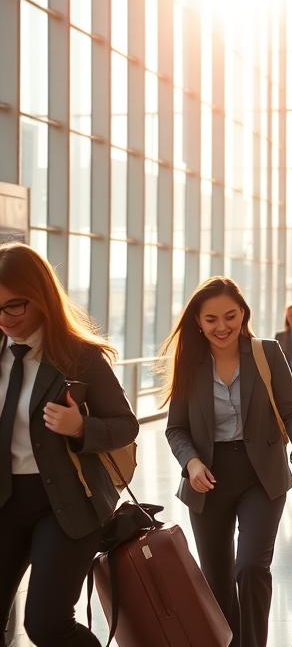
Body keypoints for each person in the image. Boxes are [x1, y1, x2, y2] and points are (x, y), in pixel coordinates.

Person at [163, 277, 292, 647]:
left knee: (250, 567)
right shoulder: (190, 363)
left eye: (230, 316)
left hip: (260, 477)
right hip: (208, 480)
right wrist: (192, 463)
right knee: (216, 581)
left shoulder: (267, 353)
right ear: (198, 322)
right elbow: (176, 430)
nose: (222, 327)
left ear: (243, 313)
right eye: (211, 319)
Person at [0, 243, 139, 647]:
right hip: (6, 499)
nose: (4, 319)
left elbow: (125, 426)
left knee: (46, 624)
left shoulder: (81, 357)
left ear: (41, 297)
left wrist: (81, 427)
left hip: (67, 506)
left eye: (14, 307)